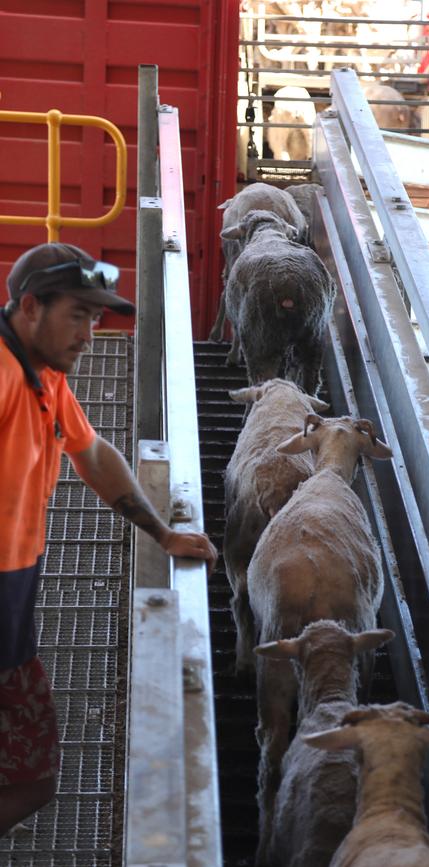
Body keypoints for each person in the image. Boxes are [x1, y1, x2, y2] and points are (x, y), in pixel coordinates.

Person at [0, 242, 219, 835]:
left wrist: (163, 533)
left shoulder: (41, 374)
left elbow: (92, 453)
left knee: (33, 779)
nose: (90, 335)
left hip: (12, 608)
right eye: (78, 315)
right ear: (30, 307)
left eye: (96, 319)